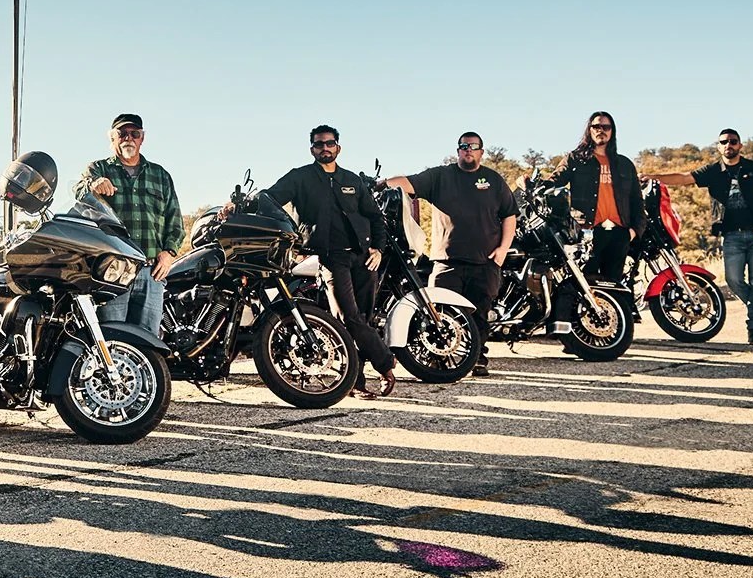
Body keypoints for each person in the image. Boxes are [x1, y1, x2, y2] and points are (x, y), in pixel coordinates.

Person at [259, 125, 398, 397]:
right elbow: (269, 197)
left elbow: (374, 217)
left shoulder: (352, 180)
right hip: (332, 258)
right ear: (312, 149)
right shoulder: (300, 178)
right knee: (347, 316)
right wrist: (239, 206)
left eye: (329, 143)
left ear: (338, 147)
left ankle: (356, 381)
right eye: (319, 144)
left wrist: (378, 250)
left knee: (363, 318)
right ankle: (385, 364)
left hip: (363, 257)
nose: (325, 148)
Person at [383, 131, 519, 377]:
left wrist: (502, 250)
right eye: (464, 146)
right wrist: (381, 184)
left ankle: (477, 358)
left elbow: (509, 215)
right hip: (447, 262)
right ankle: (438, 358)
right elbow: (408, 182)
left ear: (481, 152)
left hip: (485, 261)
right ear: (458, 151)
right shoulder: (441, 176)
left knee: (479, 313)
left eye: (474, 146)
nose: (468, 150)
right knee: (441, 313)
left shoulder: (493, 180)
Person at [648, 129, 753, 344]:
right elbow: (684, 178)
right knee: (733, 280)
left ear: (740, 145)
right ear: (719, 146)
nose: (729, 145)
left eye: (733, 141)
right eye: (724, 142)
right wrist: (652, 177)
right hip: (731, 235)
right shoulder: (713, 171)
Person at [76, 113, 184, 335]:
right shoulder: (98, 169)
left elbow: (175, 220)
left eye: (134, 134)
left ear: (142, 138)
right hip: (112, 270)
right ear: (112, 138)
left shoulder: (160, 175)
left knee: (147, 339)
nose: (128, 138)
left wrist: (169, 253)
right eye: (122, 133)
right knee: (111, 337)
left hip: (151, 271)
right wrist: (93, 184)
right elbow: (78, 192)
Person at [550, 111, 645, 287]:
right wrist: (528, 183)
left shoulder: (624, 164)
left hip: (619, 234)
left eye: (606, 127)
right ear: (590, 130)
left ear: (612, 131)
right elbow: (554, 182)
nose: (601, 130)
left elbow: (637, 201)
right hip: (588, 234)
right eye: (596, 126)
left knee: (614, 287)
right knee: (586, 287)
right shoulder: (575, 159)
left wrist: (633, 232)